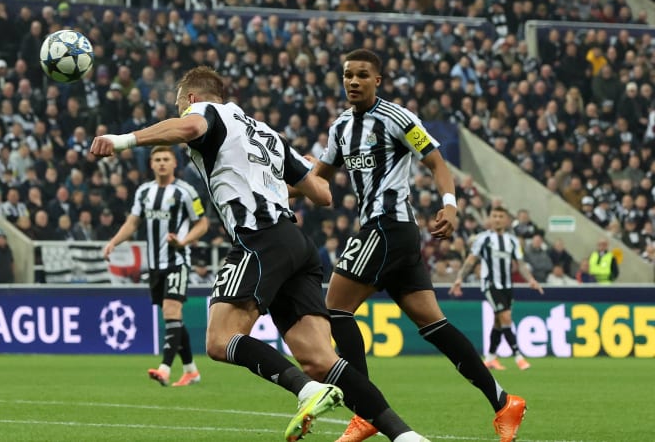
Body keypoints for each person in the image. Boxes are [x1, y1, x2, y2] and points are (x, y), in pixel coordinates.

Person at [91, 66, 431, 442]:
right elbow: (323, 193)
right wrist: (276, 180)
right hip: (296, 245)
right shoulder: (265, 132)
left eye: (179, 104)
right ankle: (405, 436)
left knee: (219, 341)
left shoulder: (207, 113)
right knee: (321, 359)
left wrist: (123, 140)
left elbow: (189, 129)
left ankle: (306, 391)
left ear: (191, 98)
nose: (180, 111)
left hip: (260, 238)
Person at [309, 49, 526, 442]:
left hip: (388, 226)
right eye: (347, 76)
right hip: (393, 235)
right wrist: (281, 190)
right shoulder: (340, 127)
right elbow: (317, 177)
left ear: (378, 80)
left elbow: (436, 163)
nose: (353, 82)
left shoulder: (398, 118)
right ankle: (504, 402)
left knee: (335, 309)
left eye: (362, 75)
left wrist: (450, 205)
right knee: (433, 324)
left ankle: (365, 412)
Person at [102, 145, 210, 388]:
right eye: (157, 159)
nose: (161, 163)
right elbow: (132, 223)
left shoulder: (186, 191)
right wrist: (113, 242)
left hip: (178, 261)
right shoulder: (144, 192)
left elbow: (202, 224)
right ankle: (191, 370)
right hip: (154, 265)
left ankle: (164, 368)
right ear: (151, 164)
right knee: (173, 317)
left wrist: (183, 242)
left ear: (174, 164)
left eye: (166, 159)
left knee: (172, 312)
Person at [450, 206, 545, 370]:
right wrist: (459, 278)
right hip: (490, 284)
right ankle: (518, 357)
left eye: (501, 216)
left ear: (507, 220)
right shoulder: (483, 239)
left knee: (499, 322)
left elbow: (520, 264)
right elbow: (471, 260)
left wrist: (531, 280)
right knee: (506, 317)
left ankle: (491, 358)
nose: (497, 219)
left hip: (507, 286)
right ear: (490, 219)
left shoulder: (512, 241)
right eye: (494, 216)